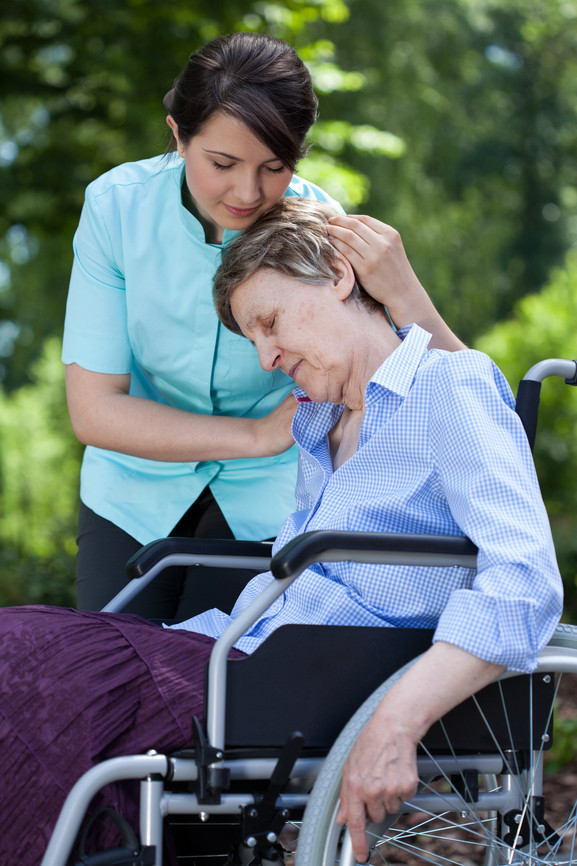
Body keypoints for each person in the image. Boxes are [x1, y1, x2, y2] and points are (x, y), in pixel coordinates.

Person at [0, 199, 561, 865]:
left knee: (28, 665)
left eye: (268, 322)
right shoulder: (319, 423)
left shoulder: (449, 387)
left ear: (336, 275)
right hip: (246, 657)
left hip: (319, 677)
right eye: (253, 339)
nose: (265, 357)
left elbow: (524, 583)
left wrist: (395, 721)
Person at [63, 31, 464, 620]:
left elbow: (462, 392)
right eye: (222, 163)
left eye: (275, 167)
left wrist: (407, 293)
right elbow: (94, 411)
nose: (248, 193)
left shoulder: (321, 232)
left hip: (274, 500)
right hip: (130, 490)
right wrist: (255, 436)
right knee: (111, 676)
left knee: (223, 686)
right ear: (178, 134)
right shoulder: (113, 210)